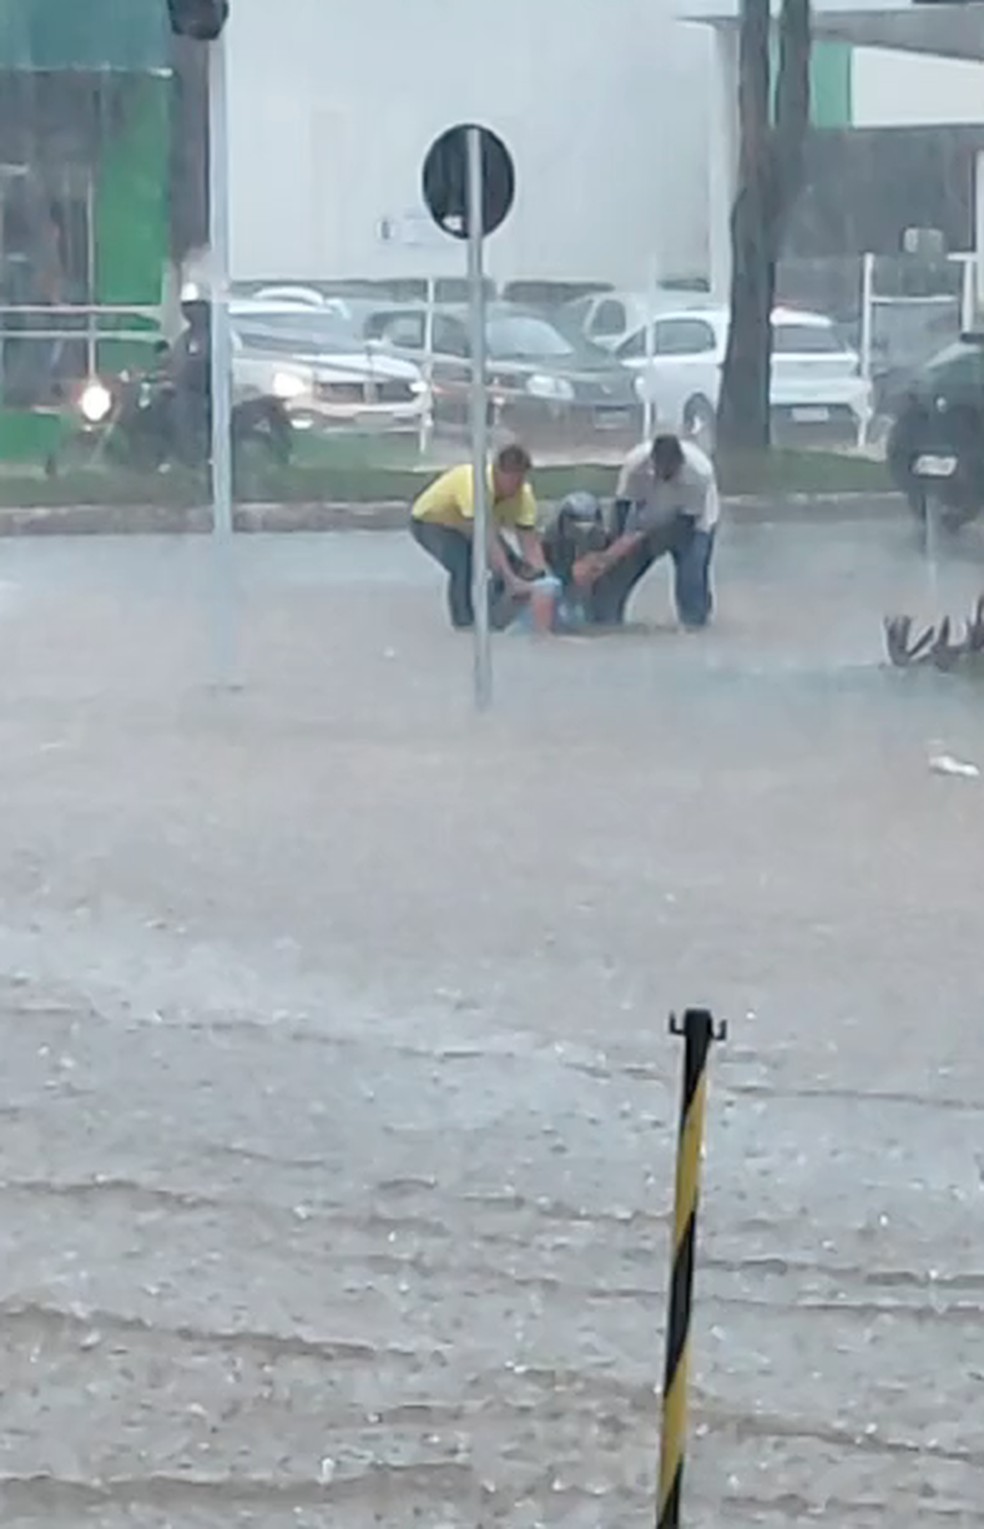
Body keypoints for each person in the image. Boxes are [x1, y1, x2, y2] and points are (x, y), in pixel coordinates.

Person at [572, 433, 720, 629]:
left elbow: (683, 524)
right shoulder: (635, 465)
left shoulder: (700, 473)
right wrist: (610, 555)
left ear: (680, 463)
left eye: (671, 470)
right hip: (646, 515)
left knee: (691, 577)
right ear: (653, 461)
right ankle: (605, 624)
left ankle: (695, 626)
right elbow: (623, 507)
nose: (666, 474)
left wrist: (641, 538)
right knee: (617, 573)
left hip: (694, 524)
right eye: (661, 469)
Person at [410, 443, 548, 629]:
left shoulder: (524, 494)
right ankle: (464, 624)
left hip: (473, 525)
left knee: (516, 566)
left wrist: (541, 576)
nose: (516, 488)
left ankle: (492, 617)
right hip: (431, 522)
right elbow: (486, 540)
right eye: (512, 481)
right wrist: (511, 580)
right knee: (463, 563)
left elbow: (529, 541)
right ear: (497, 473)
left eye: (521, 480)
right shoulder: (475, 484)